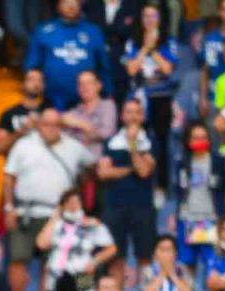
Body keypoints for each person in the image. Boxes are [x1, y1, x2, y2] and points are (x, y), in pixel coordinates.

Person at [4, 107, 96, 291]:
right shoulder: (23, 145)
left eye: (56, 124)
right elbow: (9, 178)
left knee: (52, 262)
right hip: (25, 212)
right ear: (39, 125)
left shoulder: (74, 147)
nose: (51, 128)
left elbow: (93, 167)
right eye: (46, 124)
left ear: (62, 126)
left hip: (58, 215)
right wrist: (9, 207)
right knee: (18, 259)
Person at [123, 3, 179, 192]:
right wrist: (144, 48)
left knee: (162, 141)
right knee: (139, 138)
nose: (149, 20)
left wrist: (153, 50)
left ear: (159, 19)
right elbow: (131, 69)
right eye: (146, 16)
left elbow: (167, 69)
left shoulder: (168, 41)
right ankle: (141, 180)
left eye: (153, 16)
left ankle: (161, 185)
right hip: (140, 97)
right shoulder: (133, 42)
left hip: (161, 97)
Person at [96, 99, 158, 265]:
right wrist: (130, 169)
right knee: (115, 257)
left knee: (145, 257)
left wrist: (132, 144)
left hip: (143, 207)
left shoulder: (151, 140)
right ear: (122, 116)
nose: (133, 116)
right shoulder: (111, 142)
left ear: (142, 116)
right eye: (129, 112)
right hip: (115, 206)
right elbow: (103, 173)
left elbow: (144, 171)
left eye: (137, 112)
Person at [25, 0, 112, 110]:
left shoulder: (93, 31)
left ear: (81, 5)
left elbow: (104, 67)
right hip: (49, 101)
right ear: (58, 6)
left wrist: (108, 93)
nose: (71, 6)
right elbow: (32, 67)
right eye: (66, 2)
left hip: (86, 104)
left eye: (75, 3)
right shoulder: (43, 31)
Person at [175, 120, 225, 268]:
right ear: (188, 140)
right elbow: (178, 191)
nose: (200, 141)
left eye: (203, 137)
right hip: (187, 219)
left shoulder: (217, 161)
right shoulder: (182, 162)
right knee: (187, 263)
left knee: (212, 264)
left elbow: (224, 190)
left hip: (210, 218)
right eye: (195, 138)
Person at [62, 71, 118, 159]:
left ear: (99, 85)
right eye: (81, 84)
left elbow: (107, 133)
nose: (84, 87)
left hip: (100, 161)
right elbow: (66, 139)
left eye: (89, 83)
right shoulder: (74, 112)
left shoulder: (107, 105)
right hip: (75, 160)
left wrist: (82, 125)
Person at [0, 70, 50, 155]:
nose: (36, 83)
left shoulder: (51, 112)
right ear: (23, 84)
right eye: (31, 80)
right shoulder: (9, 114)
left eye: (40, 80)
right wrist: (23, 130)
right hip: (19, 164)